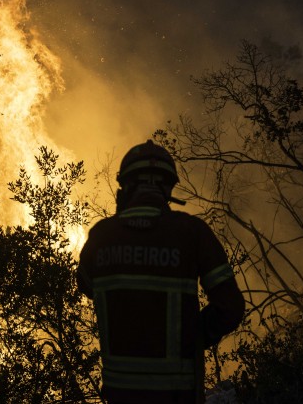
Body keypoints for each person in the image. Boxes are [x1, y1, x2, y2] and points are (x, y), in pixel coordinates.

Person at [77, 140, 245, 404]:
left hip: (120, 396)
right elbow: (231, 306)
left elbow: (87, 286)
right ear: (168, 189)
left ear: (126, 187)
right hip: (178, 396)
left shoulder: (101, 236)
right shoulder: (192, 232)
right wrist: (193, 337)